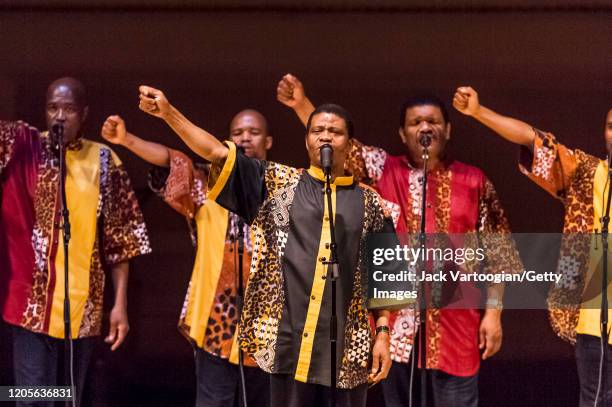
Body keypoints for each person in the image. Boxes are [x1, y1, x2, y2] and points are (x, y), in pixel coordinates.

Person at [136, 84, 412, 407]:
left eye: (335, 132)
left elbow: (387, 277)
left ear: (349, 144)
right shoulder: (279, 184)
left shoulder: (370, 203)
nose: (325, 137)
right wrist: (169, 113)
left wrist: (383, 334)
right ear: (307, 140)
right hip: (289, 347)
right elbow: (216, 153)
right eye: (318, 130)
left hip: (347, 350)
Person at [277, 74, 522, 407]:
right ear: (402, 133)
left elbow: (499, 252)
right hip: (395, 330)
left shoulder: (473, 180)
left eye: (433, 121)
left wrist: (493, 314)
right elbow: (337, 143)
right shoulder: (383, 170)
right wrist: (301, 105)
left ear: (447, 130)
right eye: (416, 122)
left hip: (457, 327)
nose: (425, 128)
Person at [100, 110, 272, 407]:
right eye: (237, 133)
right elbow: (171, 159)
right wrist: (127, 139)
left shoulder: (285, 187)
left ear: (268, 141)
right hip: (215, 324)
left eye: (253, 132)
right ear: (226, 142)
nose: (245, 137)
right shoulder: (205, 185)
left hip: (269, 328)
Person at [453, 86, 612, 406]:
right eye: (611, 126)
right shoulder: (586, 174)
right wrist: (479, 112)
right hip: (597, 325)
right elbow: (532, 139)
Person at [0, 77, 151, 406]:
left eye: (68, 109)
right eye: (53, 108)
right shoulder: (21, 146)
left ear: (84, 114)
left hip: (82, 308)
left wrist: (120, 304)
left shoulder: (105, 160)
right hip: (30, 307)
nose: (59, 116)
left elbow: (122, 241)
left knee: (67, 397)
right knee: (33, 399)